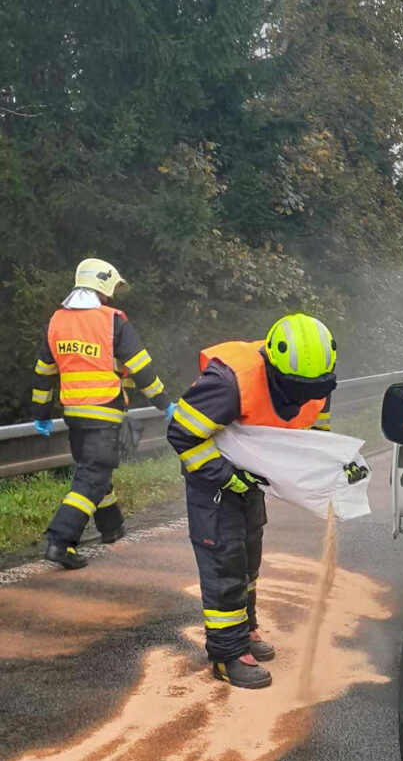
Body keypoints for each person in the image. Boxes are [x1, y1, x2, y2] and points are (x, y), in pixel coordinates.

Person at [167, 314, 336, 689]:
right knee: (225, 559)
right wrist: (226, 476)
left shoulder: (317, 382)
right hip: (213, 476)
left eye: (312, 389)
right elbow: (181, 434)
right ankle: (227, 655)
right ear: (274, 366)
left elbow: (315, 438)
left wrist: (331, 470)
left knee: (249, 555)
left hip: (251, 474)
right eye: (295, 389)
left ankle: (246, 629)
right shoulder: (229, 383)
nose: (304, 397)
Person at [32, 258, 174, 569]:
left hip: (74, 414)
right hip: (104, 412)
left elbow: (44, 372)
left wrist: (41, 412)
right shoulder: (113, 321)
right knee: (92, 477)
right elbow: (141, 369)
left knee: (95, 471)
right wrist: (165, 403)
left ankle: (112, 526)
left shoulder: (56, 321)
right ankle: (61, 541)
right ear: (104, 287)